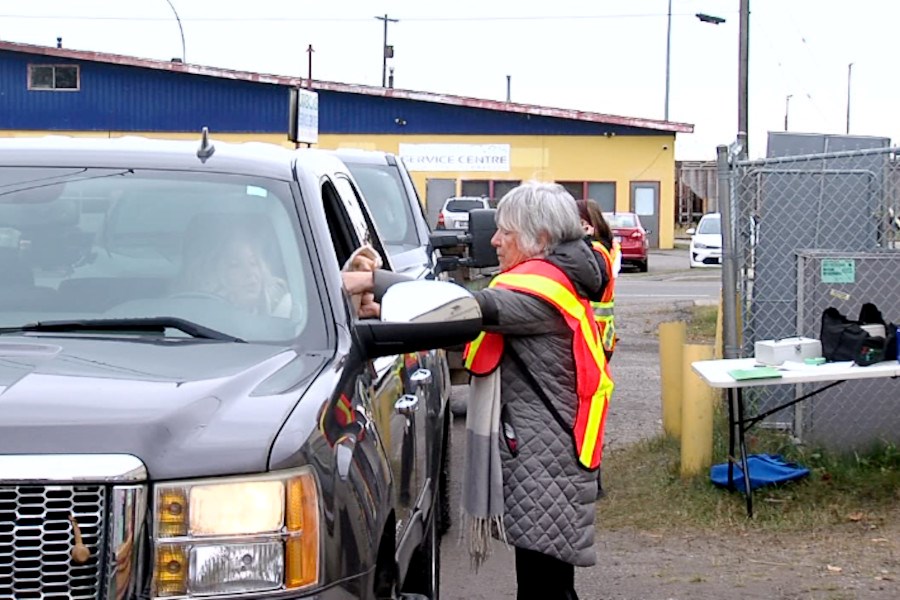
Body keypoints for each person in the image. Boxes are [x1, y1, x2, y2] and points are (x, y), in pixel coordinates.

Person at [343, 181, 614, 600]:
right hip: (553, 451)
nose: (494, 240)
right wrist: (385, 308)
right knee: (548, 583)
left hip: (548, 457)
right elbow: (471, 328)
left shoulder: (538, 292)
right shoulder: (552, 277)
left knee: (545, 587)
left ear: (538, 239)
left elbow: (468, 309)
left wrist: (370, 281)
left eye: (504, 231)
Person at [172, 216, 291, 317]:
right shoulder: (191, 319)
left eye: (253, 263)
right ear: (214, 274)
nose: (250, 273)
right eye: (235, 265)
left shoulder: (284, 310)